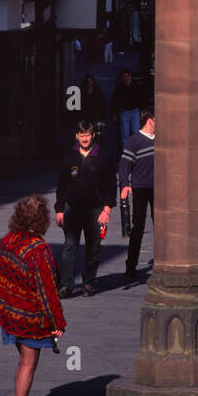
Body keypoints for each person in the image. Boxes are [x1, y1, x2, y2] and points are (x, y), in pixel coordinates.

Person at [0, 194, 66, 396]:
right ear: (41, 220)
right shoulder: (38, 250)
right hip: (30, 316)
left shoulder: (7, 241)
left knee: (23, 361)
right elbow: (48, 290)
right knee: (28, 363)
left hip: (8, 313)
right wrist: (58, 322)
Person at [55, 120, 115, 297]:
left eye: (87, 135)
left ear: (93, 135)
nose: (85, 138)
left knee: (93, 248)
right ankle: (66, 285)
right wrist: (59, 209)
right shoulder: (70, 157)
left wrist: (107, 209)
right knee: (69, 247)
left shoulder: (103, 156)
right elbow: (61, 185)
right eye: (81, 135)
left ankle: (89, 282)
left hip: (96, 210)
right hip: (72, 209)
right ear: (76, 136)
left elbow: (111, 185)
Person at [117, 109, 155, 283]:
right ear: (149, 120)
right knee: (138, 227)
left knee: (161, 228)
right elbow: (124, 165)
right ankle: (130, 265)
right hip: (140, 188)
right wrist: (125, 184)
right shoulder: (134, 141)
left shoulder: (162, 139)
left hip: (159, 189)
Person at [110, 68, 142, 149]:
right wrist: (115, 113)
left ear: (130, 76)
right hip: (124, 112)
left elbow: (141, 98)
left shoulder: (136, 86)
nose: (126, 78)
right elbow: (114, 101)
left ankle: (136, 151)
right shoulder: (119, 87)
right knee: (125, 135)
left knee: (136, 132)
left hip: (135, 111)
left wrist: (140, 109)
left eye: (127, 76)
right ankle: (126, 153)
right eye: (124, 77)